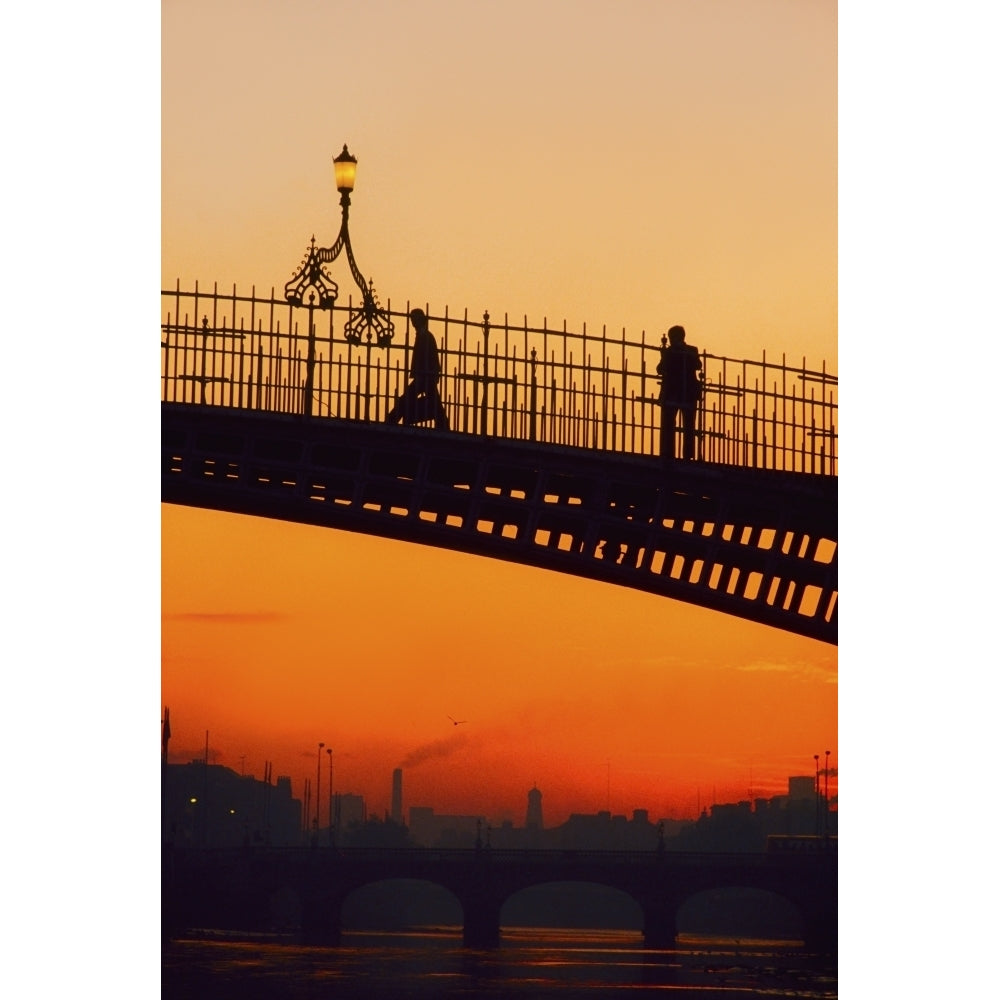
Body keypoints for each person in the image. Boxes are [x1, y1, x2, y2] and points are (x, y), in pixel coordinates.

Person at [385, 307, 450, 430]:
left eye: (414, 319)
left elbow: (430, 357)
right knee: (434, 404)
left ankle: (391, 420)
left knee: (407, 399)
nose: (412, 322)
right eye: (411, 319)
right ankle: (443, 426)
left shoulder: (425, 336)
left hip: (425, 376)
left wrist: (430, 373)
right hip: (425, 376)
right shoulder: (423, 335)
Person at [656, 324, 702, 460]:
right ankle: (681, 455)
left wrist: (668, 355)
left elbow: (698, 365)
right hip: (686, 393)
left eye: (671, 338)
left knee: (675, 425)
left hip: (676, 393)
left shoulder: (686, 351)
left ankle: (671, 454)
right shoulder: (689, 350)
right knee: (684, 425)